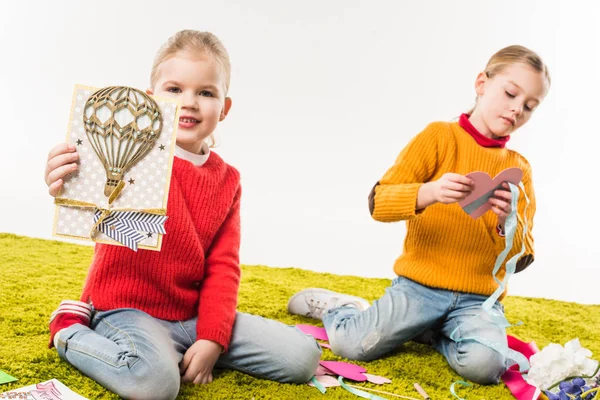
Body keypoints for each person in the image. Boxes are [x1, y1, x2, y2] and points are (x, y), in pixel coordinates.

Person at [44, 30, 321, 400]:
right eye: (174, 89)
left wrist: (212, 337)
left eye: (206, 93)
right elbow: (85, 196)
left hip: (190, 316)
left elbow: (223, 266)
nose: (188, 103)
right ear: (149, 98)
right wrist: (62, 176)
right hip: (126, 310)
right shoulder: (130, 154)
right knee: (155, 386)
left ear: (224, 108)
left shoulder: (228, 180)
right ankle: (70, 330)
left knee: (302, 357)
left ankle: (179, 351)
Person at [287, 45, 550, 385]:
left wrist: (507, 222)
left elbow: (524, 256)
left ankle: (430, 331)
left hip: (478, 300)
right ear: (482, 82)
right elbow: (378, 203)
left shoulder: (519, 169)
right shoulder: (438, 137)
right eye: (511, 93)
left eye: (530, 106)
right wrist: (429, 192)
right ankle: (342, 308)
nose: (517, 109)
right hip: (419, 288)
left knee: (485, 366)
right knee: (351, 344)